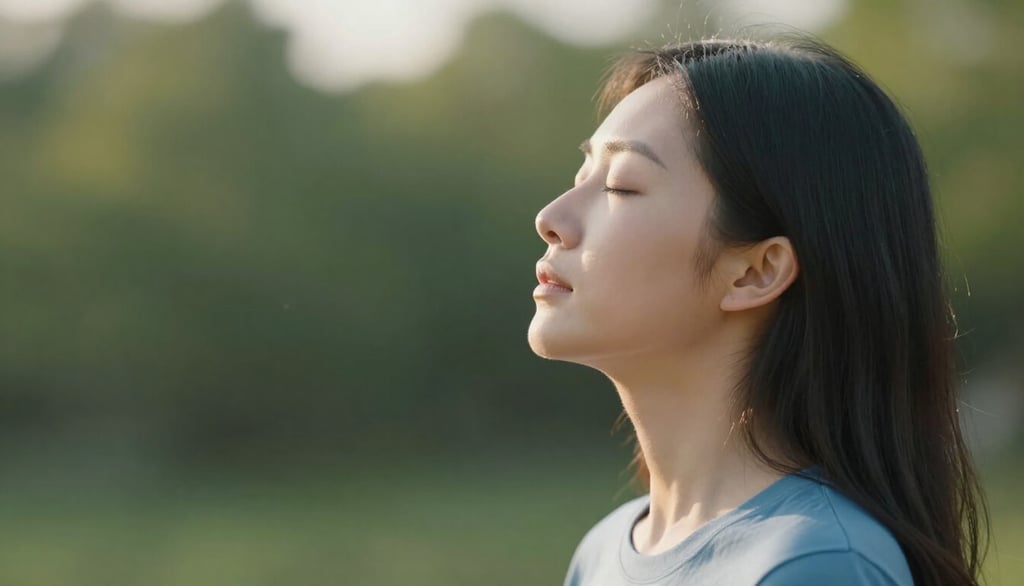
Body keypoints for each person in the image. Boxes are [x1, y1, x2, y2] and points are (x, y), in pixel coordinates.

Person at [528, 36, 988, 586]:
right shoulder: (603, 552)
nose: (551, 218)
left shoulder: (815, 563)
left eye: (621, 186)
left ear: (756, 272)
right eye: (581, 178)